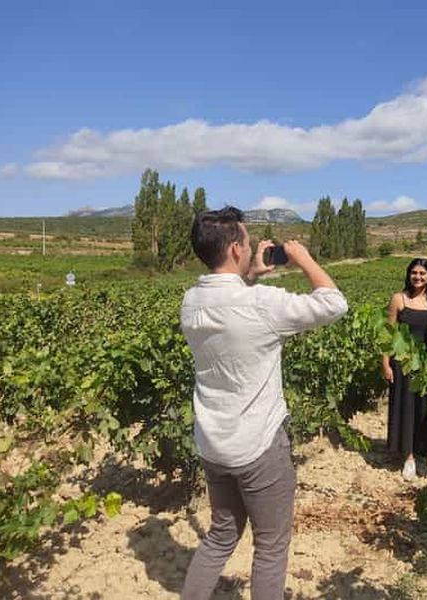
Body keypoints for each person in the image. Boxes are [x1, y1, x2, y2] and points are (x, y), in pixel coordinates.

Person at [180, 207, 348, 600]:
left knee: (221, 534)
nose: (252, 247)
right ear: (237, 248)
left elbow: (231, 307)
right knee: (270, 547)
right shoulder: (263, 305)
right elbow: (334, 304)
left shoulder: (190, 302)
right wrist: (303, 258)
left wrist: (251, 274)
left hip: (213, 443)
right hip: (258, 445)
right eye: (248, 243)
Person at [382, 257, 427, 481]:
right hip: (403, 363)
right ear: (409, 274)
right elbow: (388, 333)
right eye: (414, 273)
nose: (418, 277)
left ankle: (423, 453)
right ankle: (408, 457)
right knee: (405, 408)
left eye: (422, 273)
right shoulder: (399, 299)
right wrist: (385, 363)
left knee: (424, 409)